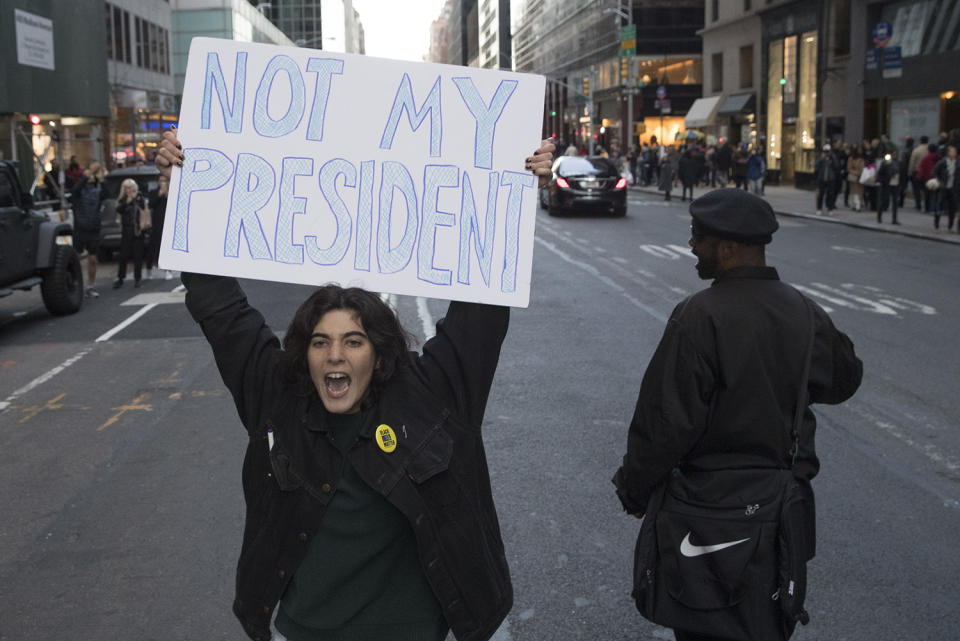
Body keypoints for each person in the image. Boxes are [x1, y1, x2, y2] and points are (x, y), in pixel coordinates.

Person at [155, 129, 555, 641]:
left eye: (354, 341)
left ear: (381, 353)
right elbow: (222, 312)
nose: (335, 355)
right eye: (320, 343)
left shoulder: (433, 398)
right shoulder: (279, 398)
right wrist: (181, 198)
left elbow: (482, 310)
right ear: (305, 354)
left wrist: (517, 194)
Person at [613, 188, 862, 641]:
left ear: (727, 248)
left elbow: (665, 423)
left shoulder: (698, 316)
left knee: (705, 628)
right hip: (782, 512)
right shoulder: (806, 312)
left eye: (698, 237)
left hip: (709, 513)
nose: (691, 245)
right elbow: (844, 381)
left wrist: (633, 487)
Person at [70, 161, 108, 298]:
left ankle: (90, 286)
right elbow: (75, 190)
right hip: (80, 229)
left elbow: (107, 194)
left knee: (93, 259)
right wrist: (86, 176)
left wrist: (100, 178)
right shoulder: (78, 193)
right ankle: (76, 283)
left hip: (93, 229)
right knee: (76, 258)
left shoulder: (96, 192)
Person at [113, 178, 149, 289]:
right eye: (126, 188)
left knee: (137, 256)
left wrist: (135, 199)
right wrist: (126, 202)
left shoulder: (138, 196)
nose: (128, 190)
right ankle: (120, 278)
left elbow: (143, 207)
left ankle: (137, 278)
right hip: (126, 230)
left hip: (138, 230)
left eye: (130, 187)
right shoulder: (122, 199)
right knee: (123, 256)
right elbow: (119, 210)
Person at [147, 174, 172, 279]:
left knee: (166, 247)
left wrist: (166, 195)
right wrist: (159, 194)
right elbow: (151, 204)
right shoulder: (153, 192)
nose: (163, 183)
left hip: (167, 223)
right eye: (161, 180)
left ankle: (168, 269)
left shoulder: (171, 191)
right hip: (157, 223)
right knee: (154, 246)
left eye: (164, 180)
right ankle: (150, 267)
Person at [932, 144, 958, 232]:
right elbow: (934, 172)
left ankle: (950, 226)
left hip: (953, 188)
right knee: (939, 206)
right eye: (951, 151)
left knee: (952, 208)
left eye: (954, 151)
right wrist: (938, 181)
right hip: (943, 187)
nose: (953, 153)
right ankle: (937, 225)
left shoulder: (957, 163)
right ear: (947, 153)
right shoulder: (943, 162)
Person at [918, 143, 942, 224]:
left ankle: (928, 208)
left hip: (927, 178)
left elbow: (922, 168)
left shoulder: (926, 158)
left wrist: (920, 177)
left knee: (927, 194)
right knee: (935, 195)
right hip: (937, 179)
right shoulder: (939, 158)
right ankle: (934, 208)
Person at [876, 149, 901, 224]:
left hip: (895, 184)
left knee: (895, 203)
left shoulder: (898, 163)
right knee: (883, 201)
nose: (894, 156)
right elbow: (880, 173)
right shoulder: (885, 162)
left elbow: (901, 173)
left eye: (895, 154)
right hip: (886, 184)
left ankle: (894, 219)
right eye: (893, 154)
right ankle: (879, 217)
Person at [814, 144, 840, 215]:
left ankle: (830, 208)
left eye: (828, 151)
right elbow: (816, 166)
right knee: (821, 194)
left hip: (830, 179)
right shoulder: (821, 158)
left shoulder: (832, 158)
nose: (827, 153)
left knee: (830, 194)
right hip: (822, 179)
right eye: (825, 151)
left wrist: (833, 158)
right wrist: (821, 158)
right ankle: (819, 208)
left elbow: (837, 166)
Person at [908, 136, 929, 211]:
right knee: (926, 190)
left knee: (917, 189)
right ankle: (927, 205)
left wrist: (910, 172)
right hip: (928, 172)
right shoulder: (929, 150)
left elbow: (912, 162)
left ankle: (918, 204)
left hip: (917, 171)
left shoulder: (916, 150)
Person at [847, 146, 865, 212]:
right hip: (854, 177)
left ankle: (856, 205)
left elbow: (863, 168)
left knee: (859, 192)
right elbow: (849, 168)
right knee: (855, 192)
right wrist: (855, 172)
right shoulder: (851, 158)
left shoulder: (862, 159)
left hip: (860, 177)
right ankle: (857, 206)